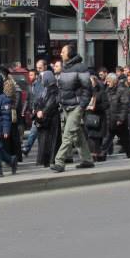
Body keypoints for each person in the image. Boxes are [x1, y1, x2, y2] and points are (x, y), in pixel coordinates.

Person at [51, 44, 94, 173]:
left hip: (76, 106)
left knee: (68, 134)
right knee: (76, 134)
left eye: (63, 52)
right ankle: (87, 160)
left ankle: (59, 161)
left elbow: (88, 88)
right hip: (66, 106)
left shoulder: (81, 67)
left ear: (69, 54)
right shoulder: (64, 68)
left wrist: (82, 105)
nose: (61, 54)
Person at [32, 70, 61, 167]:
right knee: (44, 140)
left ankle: (50, 160)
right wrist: (37, 110)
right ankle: (44, 160)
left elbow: (51, 103)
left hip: (51, 118)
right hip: (45, 118)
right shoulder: (46, 89)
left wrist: (43, 111)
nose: (42, 80)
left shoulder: (54, 89)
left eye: (43, 78)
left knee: (51, 140)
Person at [101, 73, 130, 158]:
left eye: (109, 81)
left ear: (114, 81)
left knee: (125, 139)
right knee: (107, 138)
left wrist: (121, 119)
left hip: (119, 120)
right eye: (107, 81)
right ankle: (102, 155)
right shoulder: (107, 90)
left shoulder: (121, 90)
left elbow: (124, 106)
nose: (107, 83)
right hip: (110, 119)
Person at [85, 75, 109, 162]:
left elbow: (106, 105)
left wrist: (96, 107)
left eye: (91, 81)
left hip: (98, 118)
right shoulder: (86, 92)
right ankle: (93, 155)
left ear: (95, 82)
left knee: (97, 138)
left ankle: (98, 155)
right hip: (89, 117)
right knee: (90, 137)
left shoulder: (101, 92)